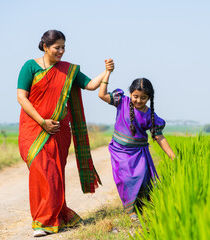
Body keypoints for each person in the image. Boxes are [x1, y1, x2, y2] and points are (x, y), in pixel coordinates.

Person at [17, 30, 114, 237]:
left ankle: (53, 218)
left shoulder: (68, 70)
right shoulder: (30, 67)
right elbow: (22, 97)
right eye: (57, 48)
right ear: (45, 46)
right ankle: (43, 221)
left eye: (63, 47)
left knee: (55, 175)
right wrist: (42, 122)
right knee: (42, 174)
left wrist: (106, 72)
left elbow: (89, 85)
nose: (61, 51)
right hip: (33, 130)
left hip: (59, 131)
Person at [98, 71, 175, 221]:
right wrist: (108, 73)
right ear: (130, 94)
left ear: (149, 98)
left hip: (139, 152)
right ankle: (130, 211)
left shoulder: (150, 116)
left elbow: (159, 137)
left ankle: (143, 208)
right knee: (126, 179)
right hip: (119, 150)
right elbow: (102, 95)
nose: (139, 100)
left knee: (142, 179)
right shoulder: (121, 101)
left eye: (143, 98)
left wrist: (172, 155)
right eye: (135, 96)